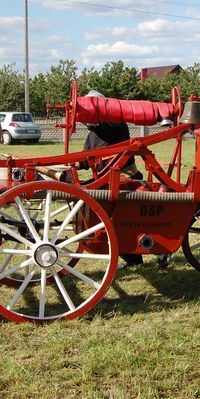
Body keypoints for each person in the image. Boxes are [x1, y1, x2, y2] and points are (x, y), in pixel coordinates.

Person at [80, 90, 148, 269]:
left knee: (119, 223)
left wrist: (92, 119)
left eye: (91, 108)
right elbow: (85, 160)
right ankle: (133, 260)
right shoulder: (92, 134)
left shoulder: (115, 124)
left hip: (126, 182)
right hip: (106, 182)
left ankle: (139, 257)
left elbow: (103, 129)